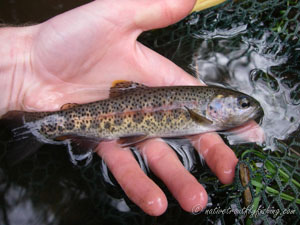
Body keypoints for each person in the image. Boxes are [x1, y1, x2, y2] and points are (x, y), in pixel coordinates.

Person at [0, 0, 261, 216]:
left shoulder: (204, 112)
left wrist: (21, 65)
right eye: (242, 104)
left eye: (244, 104)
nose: (246, 108)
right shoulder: (202, 114)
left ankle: (32, 126)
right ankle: (32, 126)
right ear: (216, 103)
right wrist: (26, 60)